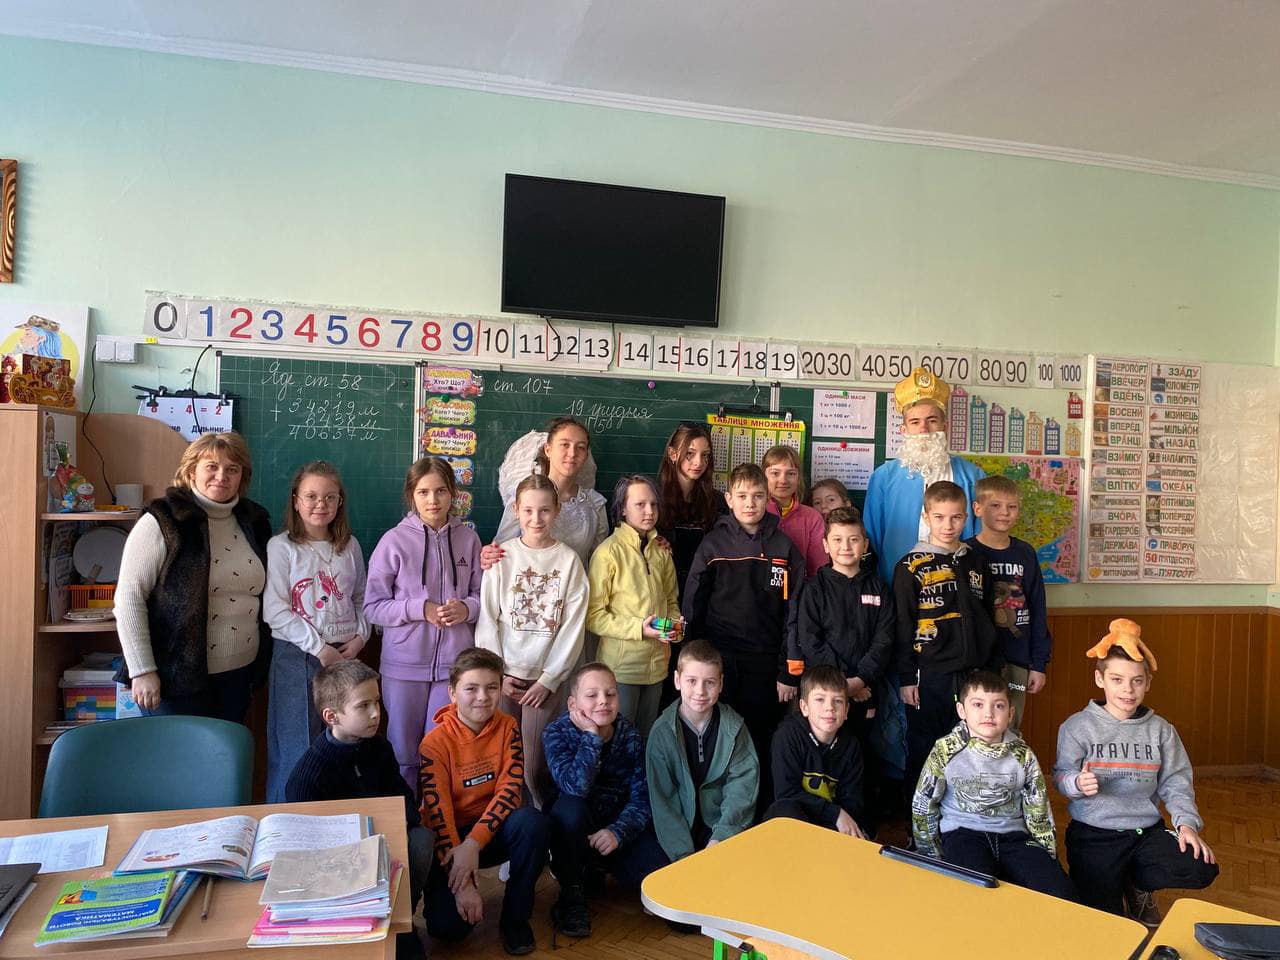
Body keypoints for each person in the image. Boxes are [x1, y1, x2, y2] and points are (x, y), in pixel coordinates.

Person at [1054, 620, 1218, 925]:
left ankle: (1138, 883)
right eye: (1117, 679)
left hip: (1145, 832)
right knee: (1106, 920)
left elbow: (1176, 782)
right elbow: (1061, 776)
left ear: (1148, 683)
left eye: (1137, 681)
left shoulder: (1161, 730)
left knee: (1201, 866)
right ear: (1100, 679)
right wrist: (1076, 783)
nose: (1127, 690)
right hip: (1094, 834)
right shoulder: (1077, 726)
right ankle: (1118, 880)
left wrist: (1187, 825)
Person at [114, 431, 270, 722]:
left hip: (240, 676)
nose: (221, 476)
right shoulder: (163, 520)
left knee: (225, 752)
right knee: (179, 752)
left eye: (232, 469)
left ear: (242, 476)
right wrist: (142, 670)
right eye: (211, 466)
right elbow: (129, 598)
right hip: (174, 678)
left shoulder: (255, 521)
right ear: (190, 471)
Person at [283, 660, 433, 960]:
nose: (376, 712)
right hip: (337, 867)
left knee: (421, 840)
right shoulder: (307, 776)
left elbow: (403, 801)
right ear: (332, 716)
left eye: (376, 701)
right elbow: (305, 849)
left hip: (384, 847)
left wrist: (398, 828)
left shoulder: (379, 747)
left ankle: (400, 922)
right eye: (363, 706)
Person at [682, 463, 805, 803]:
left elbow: (795, 612)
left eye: (758, 496)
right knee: (718, 736)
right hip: (719, 661)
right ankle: (717, 810)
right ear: (729, 499)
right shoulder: (712, 545)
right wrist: (692, 659)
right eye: (742, 496)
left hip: (766, 664)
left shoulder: (785, 547)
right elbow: (693, 604)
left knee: (760, 737)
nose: (750, 503)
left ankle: (760, 810)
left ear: (768, 499)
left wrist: (788, 671)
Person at [364, 457, 483, 795]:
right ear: (411, 495)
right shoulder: (393, 541)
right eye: (424, 492)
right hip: (403, 667)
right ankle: (406, 817)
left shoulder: (469, 539)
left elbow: (483, 597)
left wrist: (466, 609)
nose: (433, 500)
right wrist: (420, 609)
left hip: (453, 669)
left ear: (453, 494)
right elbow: (373, 607)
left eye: (441, 491)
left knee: (440, 752)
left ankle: (435, 819)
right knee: (403, 755)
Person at [418, 648, 548, 955]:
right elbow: (438, 815)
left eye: (491, 687)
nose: (482, 697)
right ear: (452, 693)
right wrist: (463, 882)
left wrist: (474, 845)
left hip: (487, 833)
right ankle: (453, 890)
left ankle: (515, 918)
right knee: (447, 930)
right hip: (450, 840)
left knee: (533, 822)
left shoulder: (508, 727)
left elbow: (509, 791)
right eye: (471, 688)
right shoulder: (433, 744)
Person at [911, 670, 1077, 902]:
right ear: (962, 710)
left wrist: (1048, 857)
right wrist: (931, 855)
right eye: (978, 705)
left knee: (1060, 892)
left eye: (998, 706)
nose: (988, 713)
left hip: (1013, 835)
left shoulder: (1023, 755)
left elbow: (1038, 809)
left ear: (1010, 714)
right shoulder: (945, 750)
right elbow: (924, 803)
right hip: (962, 834)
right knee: (973, 894)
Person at [476, 473, 589, 807]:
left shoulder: (569, 561)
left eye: (544, 511)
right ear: (516, 510)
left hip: (544, 681)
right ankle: (507, 823)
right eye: (527, 510)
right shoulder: (502, 557)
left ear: (557, 511)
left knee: (535, 765)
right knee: (502, 758)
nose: (535, 519)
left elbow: (573, 625)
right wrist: (497, 675)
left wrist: (550, 679)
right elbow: (488, 617)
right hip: (504, 677)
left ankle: (539, 823)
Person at [263, 460, 370, 803]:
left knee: (343, 744)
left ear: (340, 502)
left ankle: (334, 821)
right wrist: (320, 649)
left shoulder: (350, 546)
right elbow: (275, 610)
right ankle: (285, 821)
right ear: (296, 500)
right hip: (298, 657)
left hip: (345, 655)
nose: (320, 504)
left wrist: (361, 637)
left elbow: (361, 598)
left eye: (329, 497)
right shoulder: (282, 547)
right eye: (311, 496)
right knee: (297, 747)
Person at [542, 663, 668, 940]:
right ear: (573, 704)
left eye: (610, 694)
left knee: (659, 879)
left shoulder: (629, 735)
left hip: (614, 828)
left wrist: (617, 832)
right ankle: (571, 892)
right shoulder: (556, 732)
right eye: (592, 695)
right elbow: (575, 787)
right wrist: (591, 736)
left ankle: (598, 867)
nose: (603, 701)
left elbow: (641, 798)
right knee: (571, 808)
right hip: (573, 826)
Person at [893, 480, 1000, 802]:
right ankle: (918, 816)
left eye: (955, 517)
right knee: (926, 745)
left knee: (972, 744)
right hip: (930, 674)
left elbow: (989, 616)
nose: (948, 525)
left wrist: (992, 668)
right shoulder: (909, 566)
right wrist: (907, 677)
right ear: (926, 517)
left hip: (974, 673)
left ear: (966, 517)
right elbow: (903, 625)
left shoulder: (976, 562)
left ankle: (963, 813)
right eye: (939, 517)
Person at [795, 507, 893, 816]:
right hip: (827, 694)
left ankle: (860, 820)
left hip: (866, 692)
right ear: (825, 544)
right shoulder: (814, 589)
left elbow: (884, 640)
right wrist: (842, 686)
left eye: (853, 539)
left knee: (863, 753)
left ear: (865, 544)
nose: (846, 547)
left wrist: (860, 680)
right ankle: (823, 818)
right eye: (837, 540)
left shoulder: (879, 588)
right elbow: (811, 640)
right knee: (825, 755)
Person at [864, 368, 985, 582]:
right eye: (915, 422)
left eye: (932, 420)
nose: (924, 429)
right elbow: (872, 537)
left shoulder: (972, 476)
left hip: (957, 586)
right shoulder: (883, 478)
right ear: (903, 430)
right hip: (896, 584)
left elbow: (980, 538)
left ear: (945, 426)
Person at [646, 641, 759, 863]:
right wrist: (684, 856)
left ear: (721, 684)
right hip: (677, 832)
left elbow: (741, 788)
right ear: (677, 680)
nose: (700, 691)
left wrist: (720, 838)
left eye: (709, 682)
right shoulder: (661, 732)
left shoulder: (735, 728)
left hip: (720, 826)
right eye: (691, 681)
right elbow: (663, 800)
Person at [587, 475, 681, 738]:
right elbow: (593, 616)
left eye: (654, 504)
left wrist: (674, 626)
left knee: (647, 739)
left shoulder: (661, 550)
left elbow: (671, 600)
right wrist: (638, 628)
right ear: (623, 509)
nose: (649, 511)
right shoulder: (608, 553)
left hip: (658, 667)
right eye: (640, 504)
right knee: (618, 742)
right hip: (622, 670)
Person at [965, 474, 1051, 730]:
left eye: (1012, 506)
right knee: (977, 726)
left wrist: (1038, 663)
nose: (1005, 512)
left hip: (1017, 659)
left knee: (1011, 725)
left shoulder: (1025, 553)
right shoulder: (966, 553)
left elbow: (1037, 608)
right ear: (977, 508)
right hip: (977, 660)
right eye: (996, 505)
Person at [485, 417, 608, 570]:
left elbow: (600, 562)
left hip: (575, 584)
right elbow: (501, 551)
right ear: (548, 450)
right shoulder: (526, 495)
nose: (572, 453)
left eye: (581, 447)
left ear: (586, 456)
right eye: (565, 445)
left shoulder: (594, 504)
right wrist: (488, 555)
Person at [766, 665, 868, 837]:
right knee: (784, 809)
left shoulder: (851, 745)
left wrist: (842, 821)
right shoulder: (787, 735)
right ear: (804, 707)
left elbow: (852, 801)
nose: (829, 707)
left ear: (846, 711)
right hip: (794, 821)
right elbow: (786, 793)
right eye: (820, 699)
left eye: (838, 701)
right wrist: (835, 813)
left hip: (830, 824)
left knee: (859, 828)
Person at [656, 422, 724, 606]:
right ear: (673, 454)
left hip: (703, 595)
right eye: (690, 453)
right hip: (663, 595)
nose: (698, 462)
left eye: (705, 455)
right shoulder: (653, 499)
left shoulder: (717, 502)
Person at [762, 444, 826, 578]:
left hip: (800, 588)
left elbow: (818, 569)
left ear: (798, 478)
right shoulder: (755, 511)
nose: (783, 480)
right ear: (763, 477)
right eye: (775, 473)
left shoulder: (812, 518)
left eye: (791, 473)